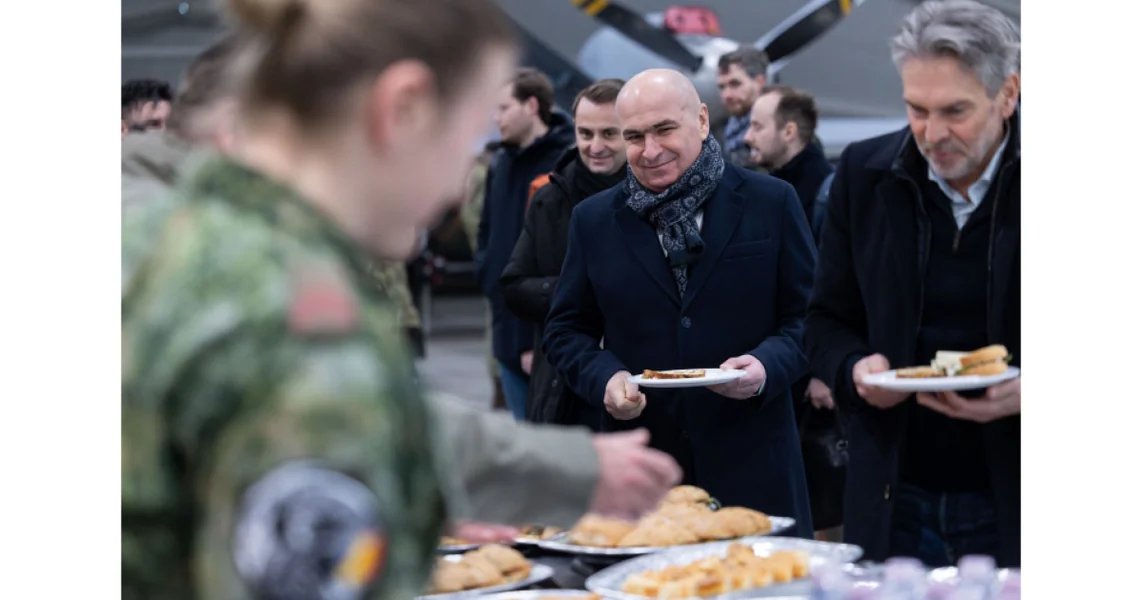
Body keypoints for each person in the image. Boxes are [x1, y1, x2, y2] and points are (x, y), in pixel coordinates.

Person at [121, 2, 679, 598]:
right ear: (403, 108)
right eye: (468, 138)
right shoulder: (285, 317)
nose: (461, 181)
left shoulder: (167, 250)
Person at [543, 69, 818, 538]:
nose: (650, 151)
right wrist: (605, 378)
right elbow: (566, 330)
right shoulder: (593, 221)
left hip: (753, 462)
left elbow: (810, 318)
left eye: (664, 130)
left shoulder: (771, 202)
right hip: (648, 471)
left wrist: (764, 367)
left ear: (703, 120)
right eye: (634, 137)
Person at [805, 0, 1021, 567]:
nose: (933, 133)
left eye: (956, 111)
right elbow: (825, 319)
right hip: (895, 492)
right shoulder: (863, 173)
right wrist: (853, 370)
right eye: (916, 109)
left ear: (1009, 93)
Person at [500, 78, 626, 430]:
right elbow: (514, 284)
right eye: (586, 134)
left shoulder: (658, 198)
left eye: (608, 134)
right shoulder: (550, 197)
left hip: (632, 386)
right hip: (562, 388)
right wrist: (574, 290)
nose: (595, 146)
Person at [476, 68, 575, 421]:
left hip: (543, 337)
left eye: (504, 108)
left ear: (532, 105)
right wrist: (487, 271)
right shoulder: (500, 163)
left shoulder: (565, 163)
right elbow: (487, 231)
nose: (495, 118)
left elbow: (560, 260)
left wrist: (533, 340)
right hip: (504, 327)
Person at [715, 47, 768, 169]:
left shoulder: (779, 132)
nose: (726, 95)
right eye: (722, 87)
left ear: (760, 82)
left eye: (735, 84)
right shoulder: (716, 131)